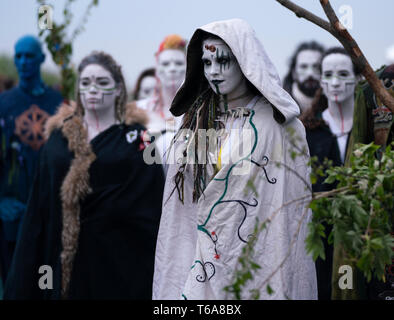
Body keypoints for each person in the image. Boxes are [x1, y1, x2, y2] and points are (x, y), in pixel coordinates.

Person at [153, 18, 317, 300]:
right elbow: (178, 216)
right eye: (207, 63)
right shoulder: (193, 125)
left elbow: (287, 217)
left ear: (245, 61)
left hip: (257, 265)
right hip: (198, 264)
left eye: (224, 61)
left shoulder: (282, 127)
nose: (214, 71)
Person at [4, 51, 164, 299]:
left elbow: (152, 209)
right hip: (58, 255)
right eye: (86, 82)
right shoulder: (57, 140)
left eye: (102, 83)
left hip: (116, 261)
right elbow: (39, 207)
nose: (93, 89)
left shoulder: (139, 139)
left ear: (118, 89)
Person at [0, 35, 63, 287]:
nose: (23, 61)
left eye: (29, 55)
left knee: (48, 283)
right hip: (12, 212)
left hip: (50, 213)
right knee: (16, 283)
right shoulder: (3, 104)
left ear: (41, 58)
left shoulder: (59, 104)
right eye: (18, 56)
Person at [300, 47, 362, 300]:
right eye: (329, 75)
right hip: (320, 236)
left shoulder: (370, 129)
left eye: (343, 74)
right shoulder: (308, 131)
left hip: (364, 234)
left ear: (358, 78)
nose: (335, 83)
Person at [137, 34, 187, 168]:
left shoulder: (200, 110)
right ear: (157, 69)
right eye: (165, 64)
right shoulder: (139, 109)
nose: (172, 68)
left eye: (179, 63)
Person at [283, 41, 325, 114]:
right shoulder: (279, 104)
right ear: (294, 73)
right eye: (303, 67)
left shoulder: (333, 106)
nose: (310, 73)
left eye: (316, 67)